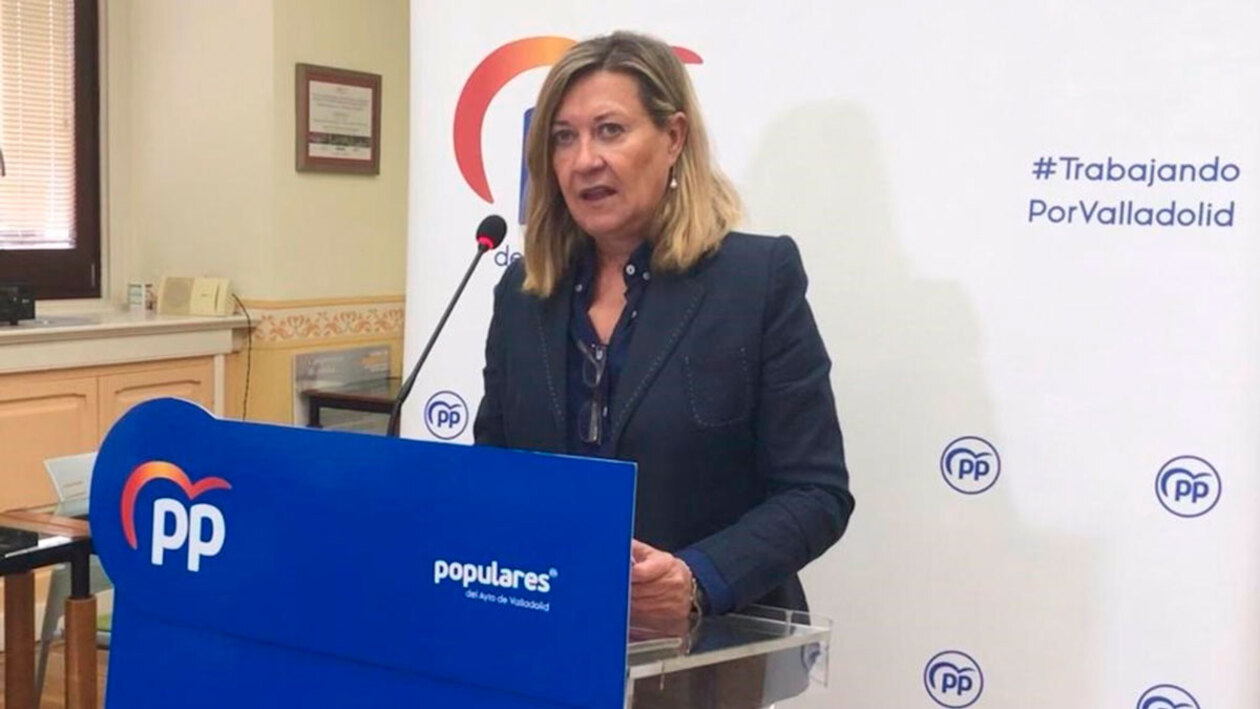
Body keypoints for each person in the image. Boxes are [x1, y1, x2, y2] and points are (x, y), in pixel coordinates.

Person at [473, 30, 853, 625]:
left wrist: (697, 577)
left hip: (711, 644)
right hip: (546, 626)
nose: (584, 160)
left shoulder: (755, 280)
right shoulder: (523, 292)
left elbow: (815, 492)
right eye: (563, 137)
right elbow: (493, 470)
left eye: (610, 130)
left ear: (673, 137)